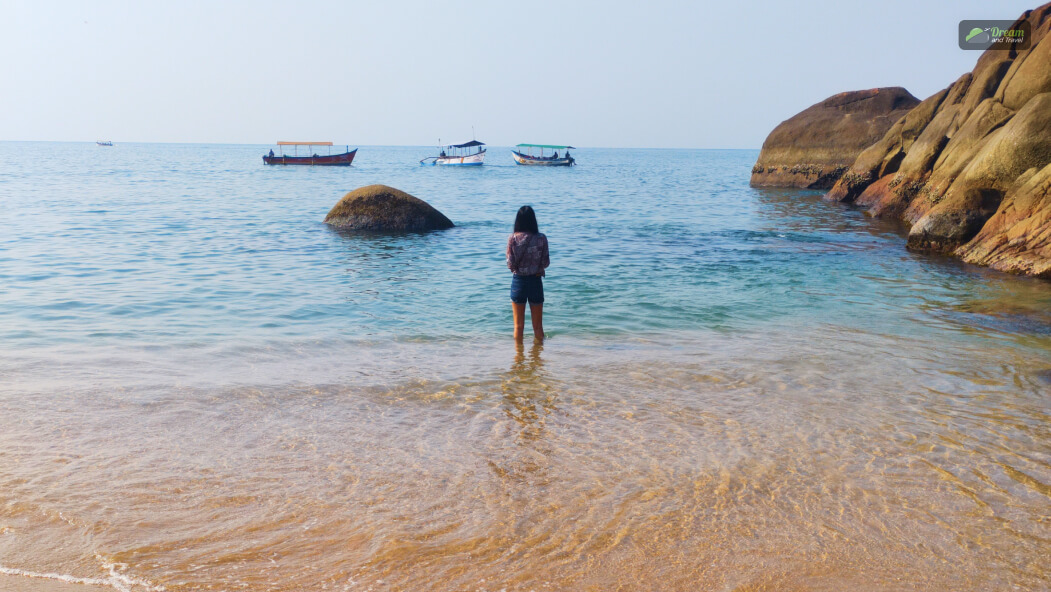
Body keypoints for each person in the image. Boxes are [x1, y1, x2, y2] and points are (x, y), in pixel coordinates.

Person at [506, 205, 550, 341]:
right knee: (538, 327)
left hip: (518, 282)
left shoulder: (512, 238)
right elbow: (546, 263)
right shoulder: (541, 238)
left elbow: (510, 264)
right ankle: (538, 359)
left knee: (518, 327)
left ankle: (518, 359)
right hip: (535, 282)